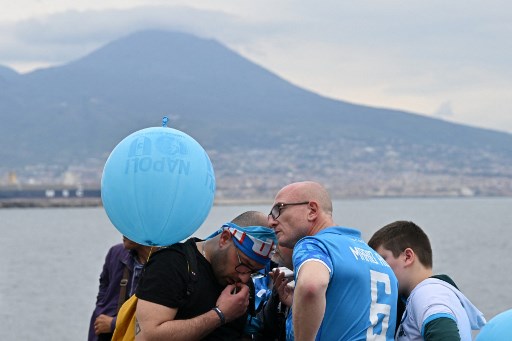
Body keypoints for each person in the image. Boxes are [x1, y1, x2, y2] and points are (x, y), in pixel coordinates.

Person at [268, 181, 398, 340]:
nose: (271, 221)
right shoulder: (378, 260)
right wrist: (298, 305)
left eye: (278, 209)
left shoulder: (314, 245)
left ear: (312, 210)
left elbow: (310, 287)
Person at [134, 211, 277, 340]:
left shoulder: (242, 283)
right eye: (244, 263)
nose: (244, 278)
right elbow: (148, 336)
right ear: (225, 239)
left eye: (253, 272)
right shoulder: (172, 263)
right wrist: (220, 315)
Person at [368, 220, 486, 340]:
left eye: (381, 261)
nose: (378, 269)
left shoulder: (427, 294)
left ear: (407, 257)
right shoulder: (433, 293)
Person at [88, 237, 154, 341]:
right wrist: (101, 309)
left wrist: (114, 324)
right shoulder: (115, 252)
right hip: (103, 332)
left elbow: (154, 316)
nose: (124, 233)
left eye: (130, 227)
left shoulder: (165, 264)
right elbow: (104, 284)